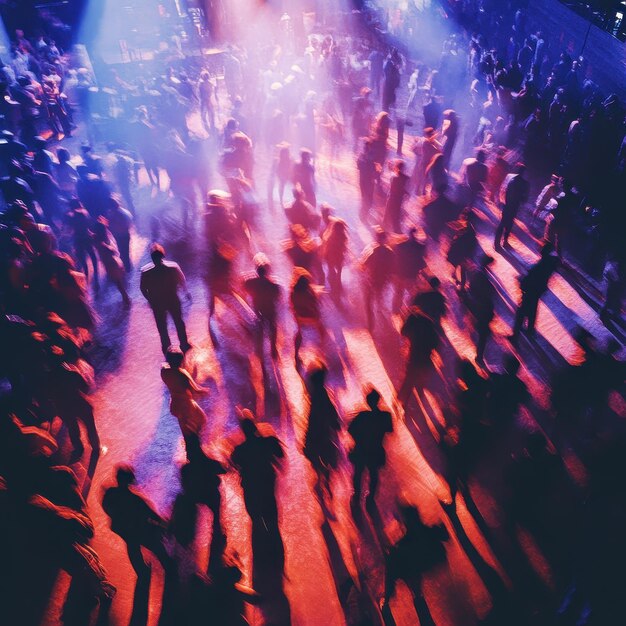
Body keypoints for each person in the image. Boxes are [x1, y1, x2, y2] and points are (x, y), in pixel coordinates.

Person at [101, 465, 174, 581]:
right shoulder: (136, 500)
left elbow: (105, 507)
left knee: (133, 547)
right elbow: (152, 514)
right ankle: (169, 568)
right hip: (139, 529)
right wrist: (165, 524)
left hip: (122, 528)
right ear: (130, 480)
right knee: (157, 547)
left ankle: (142, 572)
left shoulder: (110, 493)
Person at [230, 415, 284, 530]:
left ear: (243, 432)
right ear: (255, 428)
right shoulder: (268, 442)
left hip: (250, 487)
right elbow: (280, 454)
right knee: (272, 521)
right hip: (267, 483)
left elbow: (233, 462)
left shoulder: (239, 450)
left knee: (256, 522)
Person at [140, 243, 191, 354]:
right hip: (173, 299)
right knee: (179, 322)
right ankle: (184, 344)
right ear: (163, 255)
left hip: (157, 302)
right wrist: (186, 293)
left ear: (151, 258)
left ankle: (167, 349)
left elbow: (143, 289)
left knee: (162, 327)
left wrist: (150, 300)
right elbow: (182, 281)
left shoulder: (146, 272)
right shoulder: (173, 267)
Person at [348, 388, 393, 510]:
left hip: (361, 449)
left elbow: (350, 429)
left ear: (367, 401)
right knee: (374, 474)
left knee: (358, 473)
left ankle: (357, 496)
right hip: (376, 449)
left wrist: (358, 439)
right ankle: (371, 498)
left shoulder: (362, 416)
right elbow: (390, 430)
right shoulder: (385, 416)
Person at [303, 362, 342, 500]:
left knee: (316, 458)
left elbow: (313, 420)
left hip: (317, 435)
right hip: (325, 434)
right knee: (325, 456)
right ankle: (326, 480)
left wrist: (306, 438)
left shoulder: (316, 397)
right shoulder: (323, 394)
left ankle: (321, 479)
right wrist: (336, 424)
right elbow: (332, 412)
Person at [161, 347, 208, 454]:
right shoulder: (182, 373)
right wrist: (205, 390)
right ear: (181, 361)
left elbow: (164, 365)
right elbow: (196, 389)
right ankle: (195, 444)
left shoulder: (163, 371)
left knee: (184, 429)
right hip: (186, 404)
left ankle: (189, 450)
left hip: (175, 404)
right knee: (202, 419)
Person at [510, 242, 559, 339]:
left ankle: (515, 336)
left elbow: (531, 277)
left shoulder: (540, 265)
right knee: (532, 310)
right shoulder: (552, 262)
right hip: (538, 290)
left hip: (531, 290)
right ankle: (530, 331)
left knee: (521, 312)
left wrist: (521, 281)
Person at [398, 306, 440, 409]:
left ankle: (404, 400)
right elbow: (435, 342)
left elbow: (403, 331)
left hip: (414, 355)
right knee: (421, 376)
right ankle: (419, 393)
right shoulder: (429, 323)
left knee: (410, 378)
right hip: (426, 356)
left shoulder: (412, 322)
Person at [243, 254, 282, 360]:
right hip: (270, 310)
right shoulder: (274, 285)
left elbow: (244, 287)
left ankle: (259, 351)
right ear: (267, 272)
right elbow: (278, 297)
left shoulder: (251, 282)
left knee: (259, 328)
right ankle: (273, 349)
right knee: (272, 328)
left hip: (258, 309)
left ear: (256, 272)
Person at [360, 227, 395, 329]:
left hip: (371, 280)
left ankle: (371, 323)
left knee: (368, 301)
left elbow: (364, 264)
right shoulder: (390, 252)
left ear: (376, 238)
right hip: (382, 280)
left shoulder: (372, 250)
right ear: (385, 239)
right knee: (379, 294)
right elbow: (393, 267)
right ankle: (379, 307)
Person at [290, 267, 325, 365]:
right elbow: (314, 304)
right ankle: (322, 349)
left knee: (299, 333)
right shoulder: (309, 293)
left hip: (299, 317)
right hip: (311, 316)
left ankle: (296, 354)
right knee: (322, 330)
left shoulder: (293, 292)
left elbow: (292, 306)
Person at [92, 218, 130, 306]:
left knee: (118, 281)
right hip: (112, 262)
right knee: (119, 281)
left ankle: (126, 298)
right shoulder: (103, 241)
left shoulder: (95, 238)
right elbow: (113, 251)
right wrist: (110, 248)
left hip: (107, 263)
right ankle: (126, 299)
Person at [466, 254, 497, 363]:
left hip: (478, 307)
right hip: (482, 309)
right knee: (482, 336)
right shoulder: (481, 277)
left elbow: (471, 289)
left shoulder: (477, 274)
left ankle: (479, 354)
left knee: (482, 332)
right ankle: (479, 357)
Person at [495, 162, 530, 250]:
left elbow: (503, 188)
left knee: (502, 223)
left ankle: (497, 243)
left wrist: (500, 200)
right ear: (524, 172)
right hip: (514, 206)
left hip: (506, 204)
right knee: (509, 223)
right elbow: (525, 199)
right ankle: (504, 242)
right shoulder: (524, 184)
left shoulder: (509, 177)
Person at [393, 227, 427, 310]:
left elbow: (396, 259)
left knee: (398, 293)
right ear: (416, 235)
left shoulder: (400, 245)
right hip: (412, 275)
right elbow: (422, 261)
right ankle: (410, 311)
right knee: (412, 294)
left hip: (400, 274)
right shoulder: (420, 247)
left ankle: (396, 310)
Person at [384, 159, 410, 233]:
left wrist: (390, 167)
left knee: (387, 219)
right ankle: (397, 233)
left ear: (396, 167)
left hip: (392, 200)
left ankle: (387, 234)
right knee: (396, 219)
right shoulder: (406, 178)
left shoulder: (394, 178)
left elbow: (394, 176)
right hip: (399, 201)